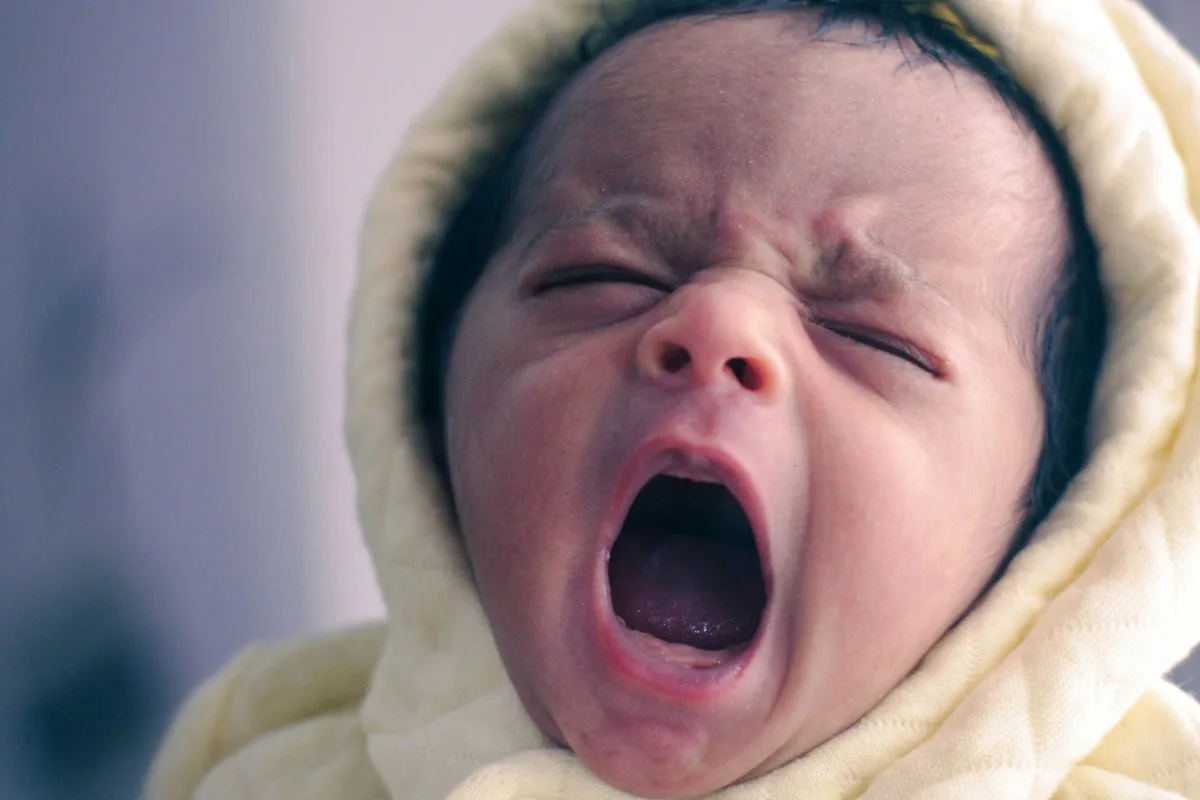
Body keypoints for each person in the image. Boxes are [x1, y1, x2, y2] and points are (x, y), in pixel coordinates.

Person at [146, 1, 1200, 798]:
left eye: (870, 333)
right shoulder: (262, 766)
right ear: (426, 404)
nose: (717, 328)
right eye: (601, 277)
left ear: (1052, 526)